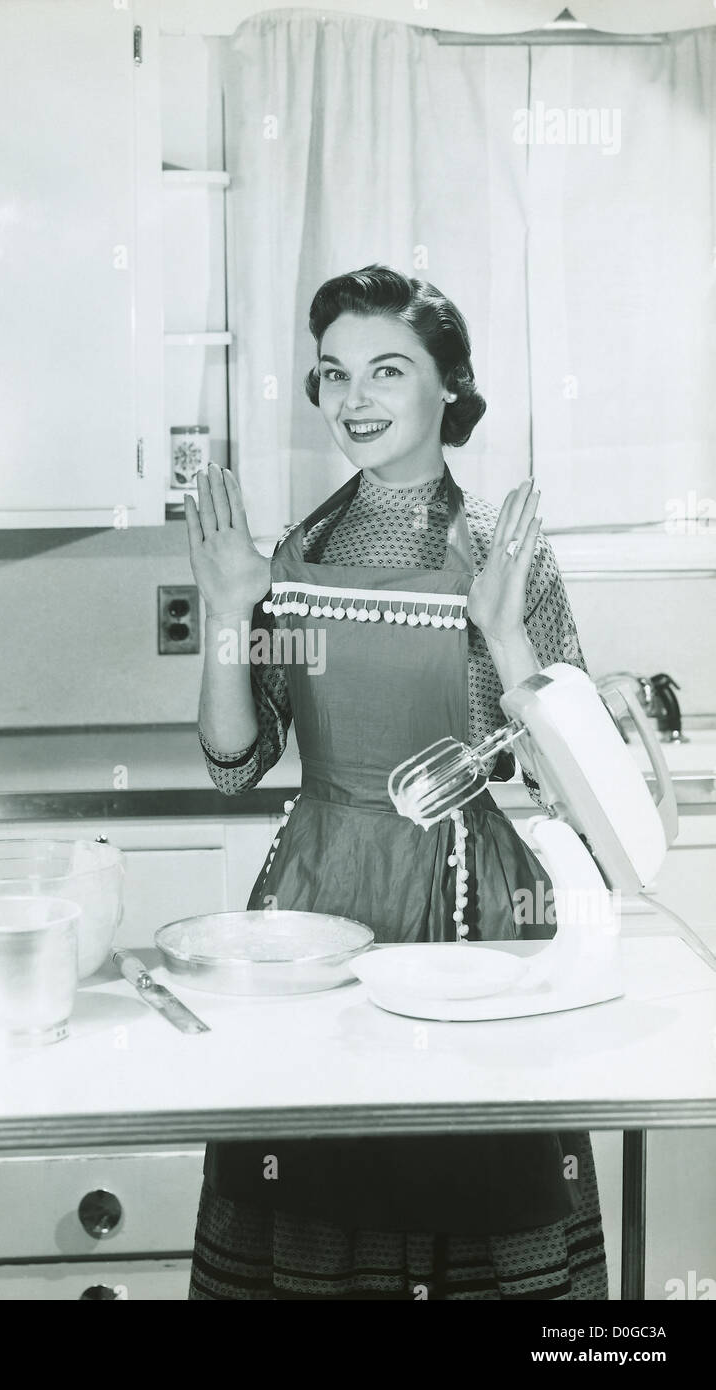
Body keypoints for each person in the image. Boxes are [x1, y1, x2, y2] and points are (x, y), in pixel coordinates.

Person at [184, 264, 607, 1301]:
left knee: (468, 1173)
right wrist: (231, 611)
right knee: (314, 1170)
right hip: (319, 890)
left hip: (469, 898)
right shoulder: (295, 548)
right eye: (333, 376)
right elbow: (237, 765)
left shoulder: (499, 550)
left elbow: (571, 789)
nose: (354, 400)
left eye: (387, 370)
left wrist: (504, 634)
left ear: (446, 387)